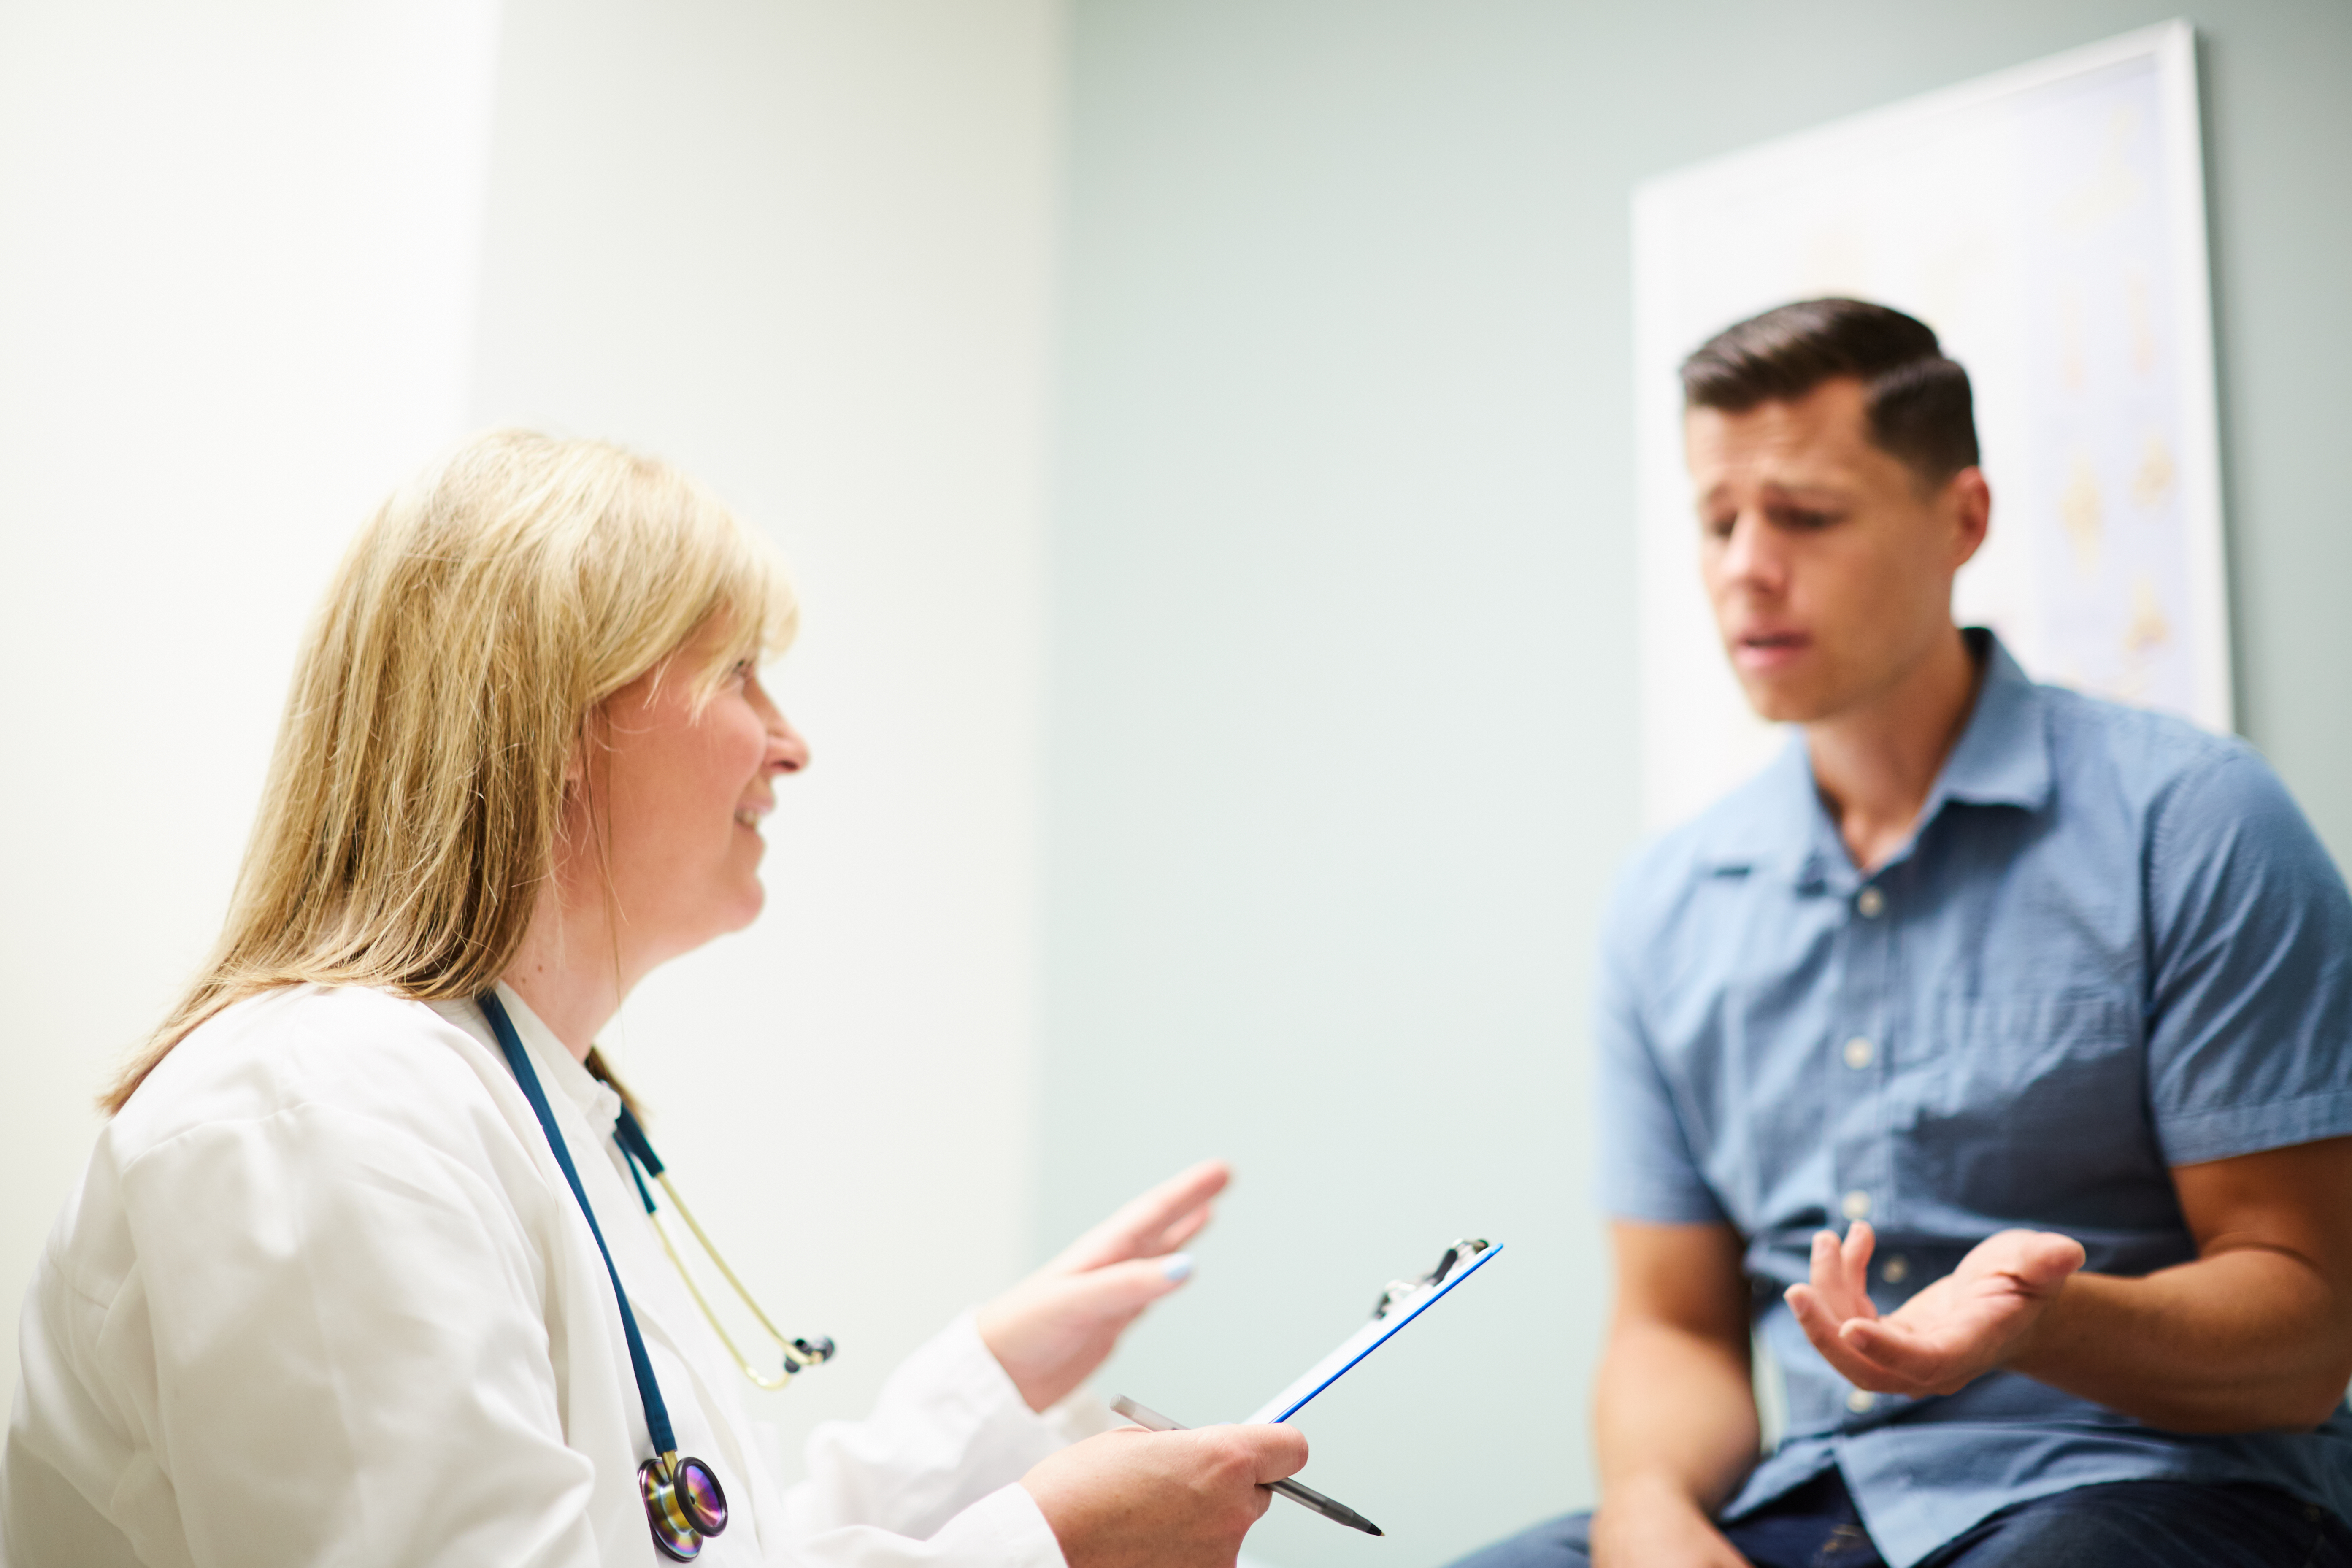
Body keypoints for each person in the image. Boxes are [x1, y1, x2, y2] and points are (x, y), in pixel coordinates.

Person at [1, 432, 1306, 1567]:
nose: (791, 742)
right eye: (739, 669)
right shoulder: (319, 1112)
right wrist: (1047, 1546)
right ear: (560, 710)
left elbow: (707, 1548)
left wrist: (980, 1386)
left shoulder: (514, 1105)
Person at [1454, 300, 2352, 1568]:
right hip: (1820, 1499)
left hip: (2161, 1485)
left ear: (1961, 521)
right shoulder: (1670, 904)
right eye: (1718, 521)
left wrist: (2041, 1323)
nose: (1745, 566)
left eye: (1804, 516)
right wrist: (1648, 1509)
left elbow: (2306, 1329)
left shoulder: (2192, 820)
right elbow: (1674, 1327)